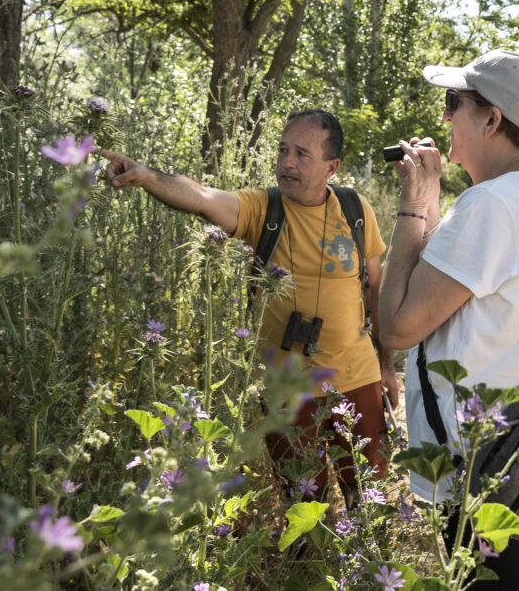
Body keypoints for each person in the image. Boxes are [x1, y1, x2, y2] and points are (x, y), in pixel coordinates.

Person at [100, 109, 397, 501]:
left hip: (358, 378)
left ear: (331, 166)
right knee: (303, 502)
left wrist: (387, 367)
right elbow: (202, 197)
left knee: (369, 496)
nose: (286, 162)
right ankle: (303, 563)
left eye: (301, 154)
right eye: (283, 150)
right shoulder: (263, 208)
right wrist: (149, 177)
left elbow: (376, 292)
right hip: (287, 388)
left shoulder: (356, 212)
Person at [378, 49, 519, 590]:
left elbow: (398, 326)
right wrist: (431, 202)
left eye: (456, 103)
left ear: (493, 119)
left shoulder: (490, 205)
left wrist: (410, 207)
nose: (445, 117)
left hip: (477, 465)